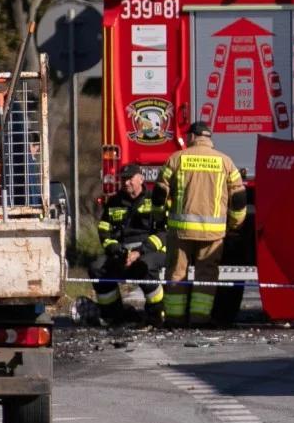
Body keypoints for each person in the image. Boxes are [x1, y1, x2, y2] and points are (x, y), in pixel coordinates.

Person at [152, 122, 247, 327]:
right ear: (208, 138)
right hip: (213, 234)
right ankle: (199, 319)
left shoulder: (176, 159)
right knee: (206, 275)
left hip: (181, 231)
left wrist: (158, 217)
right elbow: (239, 198)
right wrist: (234, 224)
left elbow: (160, 193)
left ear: (192, 137)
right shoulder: (226, 162)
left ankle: (175, 319)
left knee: (177, 274)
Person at [88, 164, 166, 325]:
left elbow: (163, 232)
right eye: (123, 179)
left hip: (151, 250)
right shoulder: (114, 202)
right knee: (97, 267)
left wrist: (139, 252)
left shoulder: (154, 201)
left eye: (130, 178)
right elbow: (104, 230)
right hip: (122, 251)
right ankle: (114, 314)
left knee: (144, 267)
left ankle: (156, 314)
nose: (126, 182)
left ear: (141, 178)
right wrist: (116, 250)